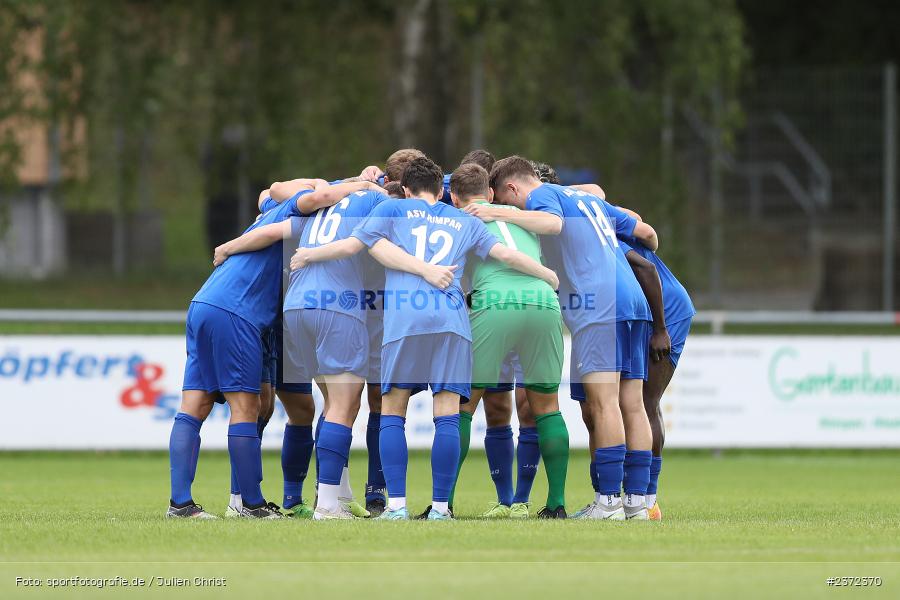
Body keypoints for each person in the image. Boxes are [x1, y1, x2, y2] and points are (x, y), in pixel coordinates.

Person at [289, 156, 558, 521]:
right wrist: (547, 276)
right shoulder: (463, 219)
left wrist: (308, 255)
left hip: (404, 320)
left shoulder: (393, 209)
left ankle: (396, 506)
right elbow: (505, 254)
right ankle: (442, 508)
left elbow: (355, 245)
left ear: (404, 188)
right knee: (447, 412)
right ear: (441, 189)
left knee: (393, 410)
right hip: (451, 322)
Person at [468, 156, 658, 520]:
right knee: (632, 404)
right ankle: (637, 502)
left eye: (510, 202)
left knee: (604, 405)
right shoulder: (590, 200)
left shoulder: (543, 196)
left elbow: (551, 225)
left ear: (512, 188)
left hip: (598, 306)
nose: (514, 210)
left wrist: (500, 215)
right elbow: (646, 233)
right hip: (633, 298)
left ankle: (608, 503)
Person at [167, 177, 327, 519]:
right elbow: (276, 208)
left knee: (196, 404)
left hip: (205, 302)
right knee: (246, 406)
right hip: (238, 311)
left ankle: (180, 503)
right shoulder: (303, 221)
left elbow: (268, 193)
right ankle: (249, 504)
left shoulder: (272, 209)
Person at [444, 163, 570, 519]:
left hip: (494, 303)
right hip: (544, 302)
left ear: (455, 196)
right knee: (547, 406)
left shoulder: (461, 220)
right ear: (490, 192)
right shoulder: (520, 211)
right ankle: (556, 504)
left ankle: (444, 504)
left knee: (462, 406)